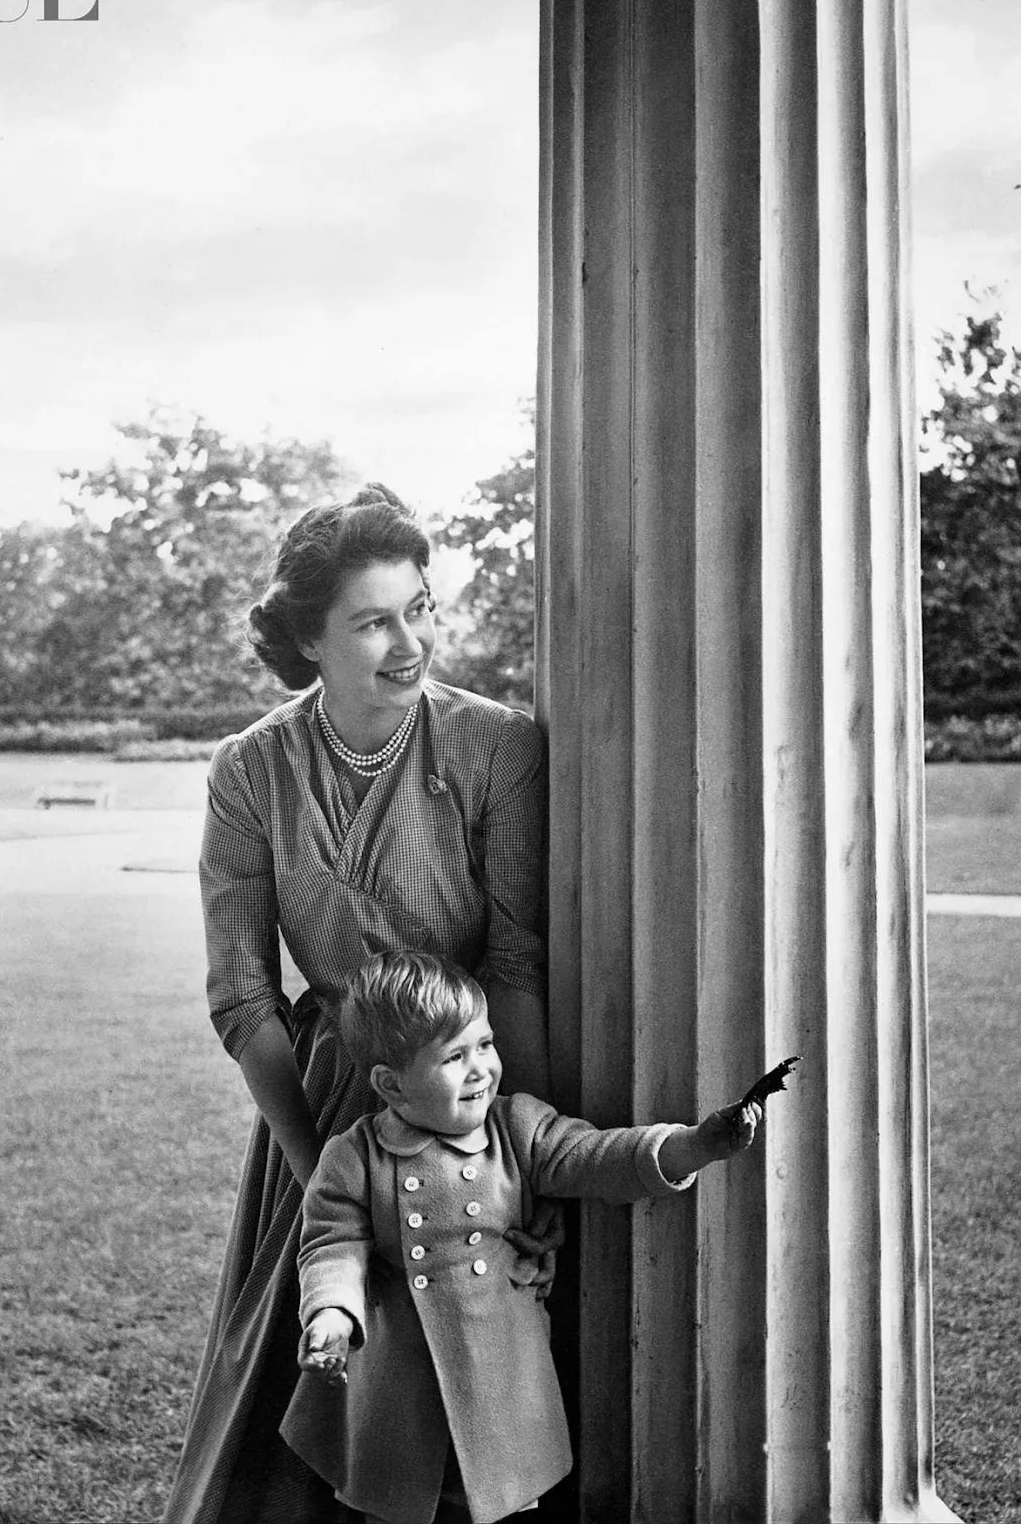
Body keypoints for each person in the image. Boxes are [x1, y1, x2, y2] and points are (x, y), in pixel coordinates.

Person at [162, 484, 552, 1524]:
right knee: (316, 1401)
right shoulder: (249, 770)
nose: (408, 641)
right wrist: (323, 1180)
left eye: (417, 608)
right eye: (373, 620)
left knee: (475, 1411)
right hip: (321, 1113)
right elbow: (244, 997)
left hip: (466, 1105)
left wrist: (509, 1153)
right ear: (309, 640)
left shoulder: (495, 747)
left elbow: (513, 962)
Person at [282, 951, 761, 1524]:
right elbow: (332, 1246)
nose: (481, 1068)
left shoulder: (517, 1127)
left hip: (501, 1381)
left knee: (504, 1504)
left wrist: (693, 1146)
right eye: (454, 1057)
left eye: (485, 1044)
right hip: (399, 1386)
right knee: (397, 1506)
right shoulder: (354, 1157)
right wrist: (332, 1315)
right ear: (392, 1085)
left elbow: (597, 1157)